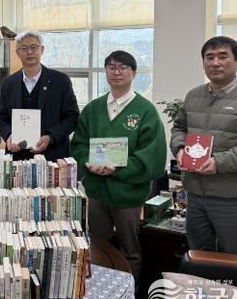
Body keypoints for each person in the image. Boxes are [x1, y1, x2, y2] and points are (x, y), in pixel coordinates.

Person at [170, 36, 237, 255]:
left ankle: (231, 281)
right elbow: (179, 128)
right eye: (209, 57)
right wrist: (179, 149)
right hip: (195, 192)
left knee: (233, 257)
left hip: (230, 196)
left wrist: (219, 162)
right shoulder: (193, 96)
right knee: (198, 254)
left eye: (222, 56)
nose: (215, 63)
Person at [70, 50, 166, 283]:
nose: (117, 72)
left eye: (123, 67)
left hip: (128, 195)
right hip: (96, 193)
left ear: (134, 73)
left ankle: (129, 297)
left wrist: (118, 169)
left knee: (130, 249)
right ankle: (99, 291)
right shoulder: (93, 108)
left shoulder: (145, 111)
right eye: (112, 67)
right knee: (96, 246)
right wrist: (88, 163)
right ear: (106, 72)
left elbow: (153, 156)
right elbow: (79, 144)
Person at [0, 30, 79, 162]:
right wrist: (9, 135)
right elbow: (2, 118)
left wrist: (50, 137)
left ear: (42, 49)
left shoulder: (60, 80)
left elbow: (72, 117)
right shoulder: (8, 83)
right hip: (18, 157)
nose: (29, 52)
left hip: (53, 156)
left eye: (34, 47)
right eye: (24, 48)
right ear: (17, 53)